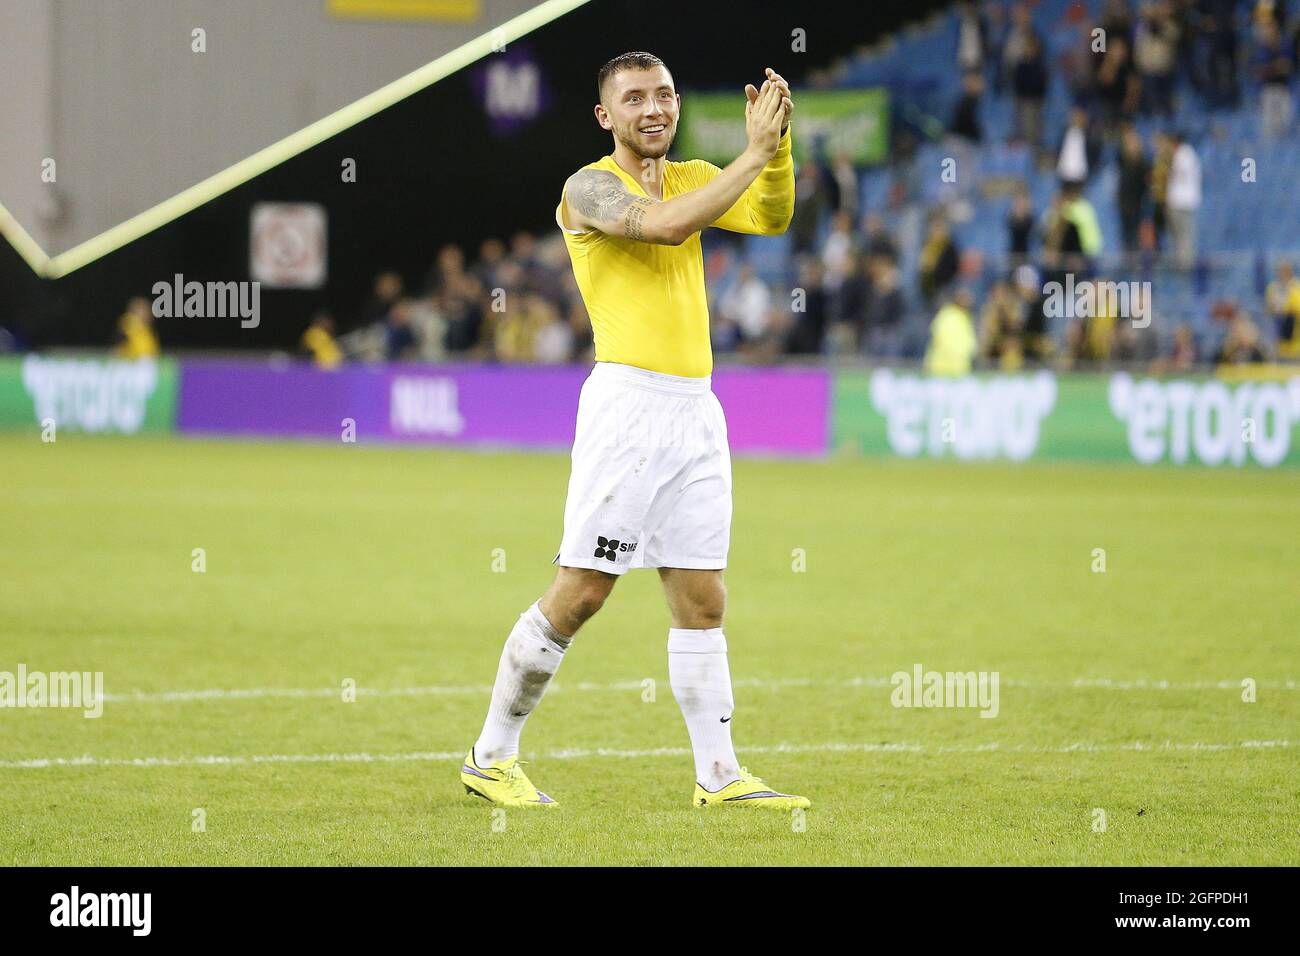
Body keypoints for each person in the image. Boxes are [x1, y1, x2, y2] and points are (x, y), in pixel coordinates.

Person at [461, 53, 809, 811]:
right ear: (605, 115)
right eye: (634, 98)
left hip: (696, 409)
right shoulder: (587, 189)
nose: (653, 108)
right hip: (627, 409)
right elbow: (662, 227)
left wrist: (776, 149)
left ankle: (718, 776)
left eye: (664, 95)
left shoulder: (692, 173)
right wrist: (751, 155)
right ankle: (492, 754)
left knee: (702, 595)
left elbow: (774, 216)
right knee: (583, 591)